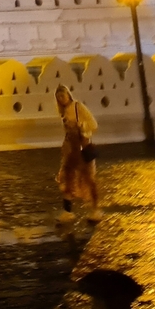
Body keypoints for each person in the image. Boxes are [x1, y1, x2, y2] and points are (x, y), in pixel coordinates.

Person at [55, 84, 102, 223]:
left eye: (62, 96)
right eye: (58, 98)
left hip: (82, 147)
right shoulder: (63, 111)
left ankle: (96, 210)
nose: (61, 99)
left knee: (88, 179)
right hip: (71, 149)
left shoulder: (78, 107)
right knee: (68, 178)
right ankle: (67, 212)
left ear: (68, 94)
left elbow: (93, 124)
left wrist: (81, 126)